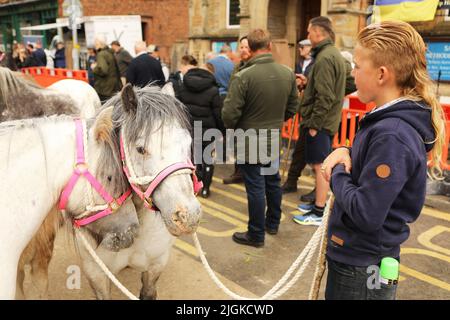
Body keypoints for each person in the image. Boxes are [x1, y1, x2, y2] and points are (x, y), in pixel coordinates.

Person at [321, 20, 444, 300]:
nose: (351, 73)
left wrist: (338, 169)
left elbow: (367, 212)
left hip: (361, 266)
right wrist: (347, 152)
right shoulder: (388, 123)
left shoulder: (392, 133)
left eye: (356, 65)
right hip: (362, 260)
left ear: (381, 75)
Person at [222, 29, 299, 247]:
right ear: (269, 46)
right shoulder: (287, 73)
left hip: (249, 139)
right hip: (272, 137)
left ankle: (256, 234)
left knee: (256, 187)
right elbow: (293, 107)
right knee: (272, 181)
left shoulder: (244, 76)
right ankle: (272, 223)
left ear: (251, 48)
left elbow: (229, 115)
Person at [288, 17, 346, 226]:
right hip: (327, 121)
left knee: (320, 167)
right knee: (319, 165)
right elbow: (344, 83)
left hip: (319, 123)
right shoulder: (334, 54)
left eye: (309, 32)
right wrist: (309, 82)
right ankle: (317, 206)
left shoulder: (323, 58)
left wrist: (314, 124)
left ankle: (319, 211)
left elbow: (325, 96)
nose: (308, 36)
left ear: (319, 33)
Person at [176, 55, 223, 198]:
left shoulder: (184, 86)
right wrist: (222, 131)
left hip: (189, 130)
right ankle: (205, 189)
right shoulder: (214, 90)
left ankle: (193, 186)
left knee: (193, 159)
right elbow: (218, 114)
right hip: (208, 131)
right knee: (207, 159)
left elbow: (179, 109)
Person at [222, 35, 252, 185]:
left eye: (247, 47)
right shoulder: (237, 66)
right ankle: (238, 173)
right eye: (242, 47)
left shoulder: (252, 68)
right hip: (237, 113)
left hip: (249, 115)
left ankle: (247, 175)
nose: (244, 50)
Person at [91, 35, 122, 101]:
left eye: (96, 42)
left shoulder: (101, 54)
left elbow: (103, 70)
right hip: (114, 88)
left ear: (99, 43)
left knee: (105, 110)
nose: (94, 44)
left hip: (104, 90)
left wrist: (94, 68)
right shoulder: (110, 52)